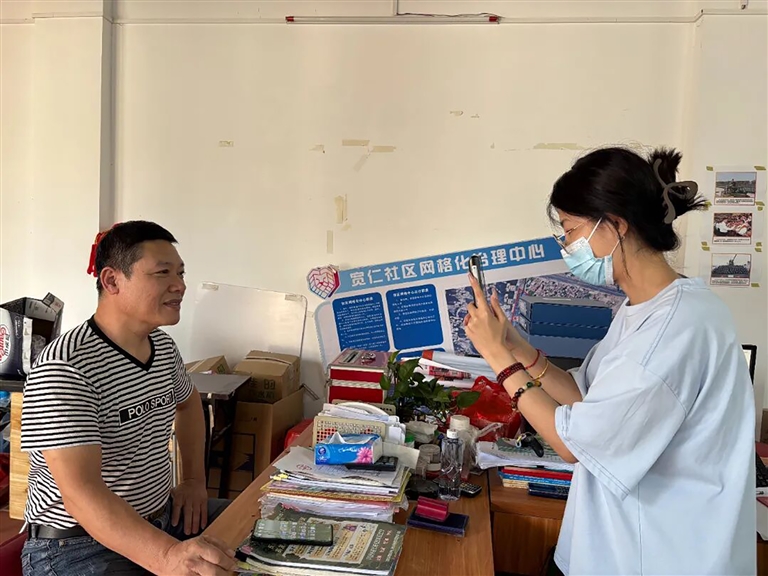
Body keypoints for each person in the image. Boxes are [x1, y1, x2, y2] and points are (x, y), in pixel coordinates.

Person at [465, 147, 756, 575]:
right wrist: (515, 347)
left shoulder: (675, 329)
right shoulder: (649, 307)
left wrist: (497, 359)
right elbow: (584, 397)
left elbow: (571, 443)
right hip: (613, 547)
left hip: (657, 557)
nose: (566, 246)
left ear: (616, 224)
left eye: (570, 230)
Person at [20, 221, 239, 576]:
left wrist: (194, 482)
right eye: (163, 272)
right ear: (112, 281)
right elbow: (81, 494)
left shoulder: (162, 347)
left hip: (161, 520)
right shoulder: (65, 366)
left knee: (257, 527)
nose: (180, 285)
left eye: (181, 272)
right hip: (77, 547)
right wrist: (167, 558)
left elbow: (188, 404)